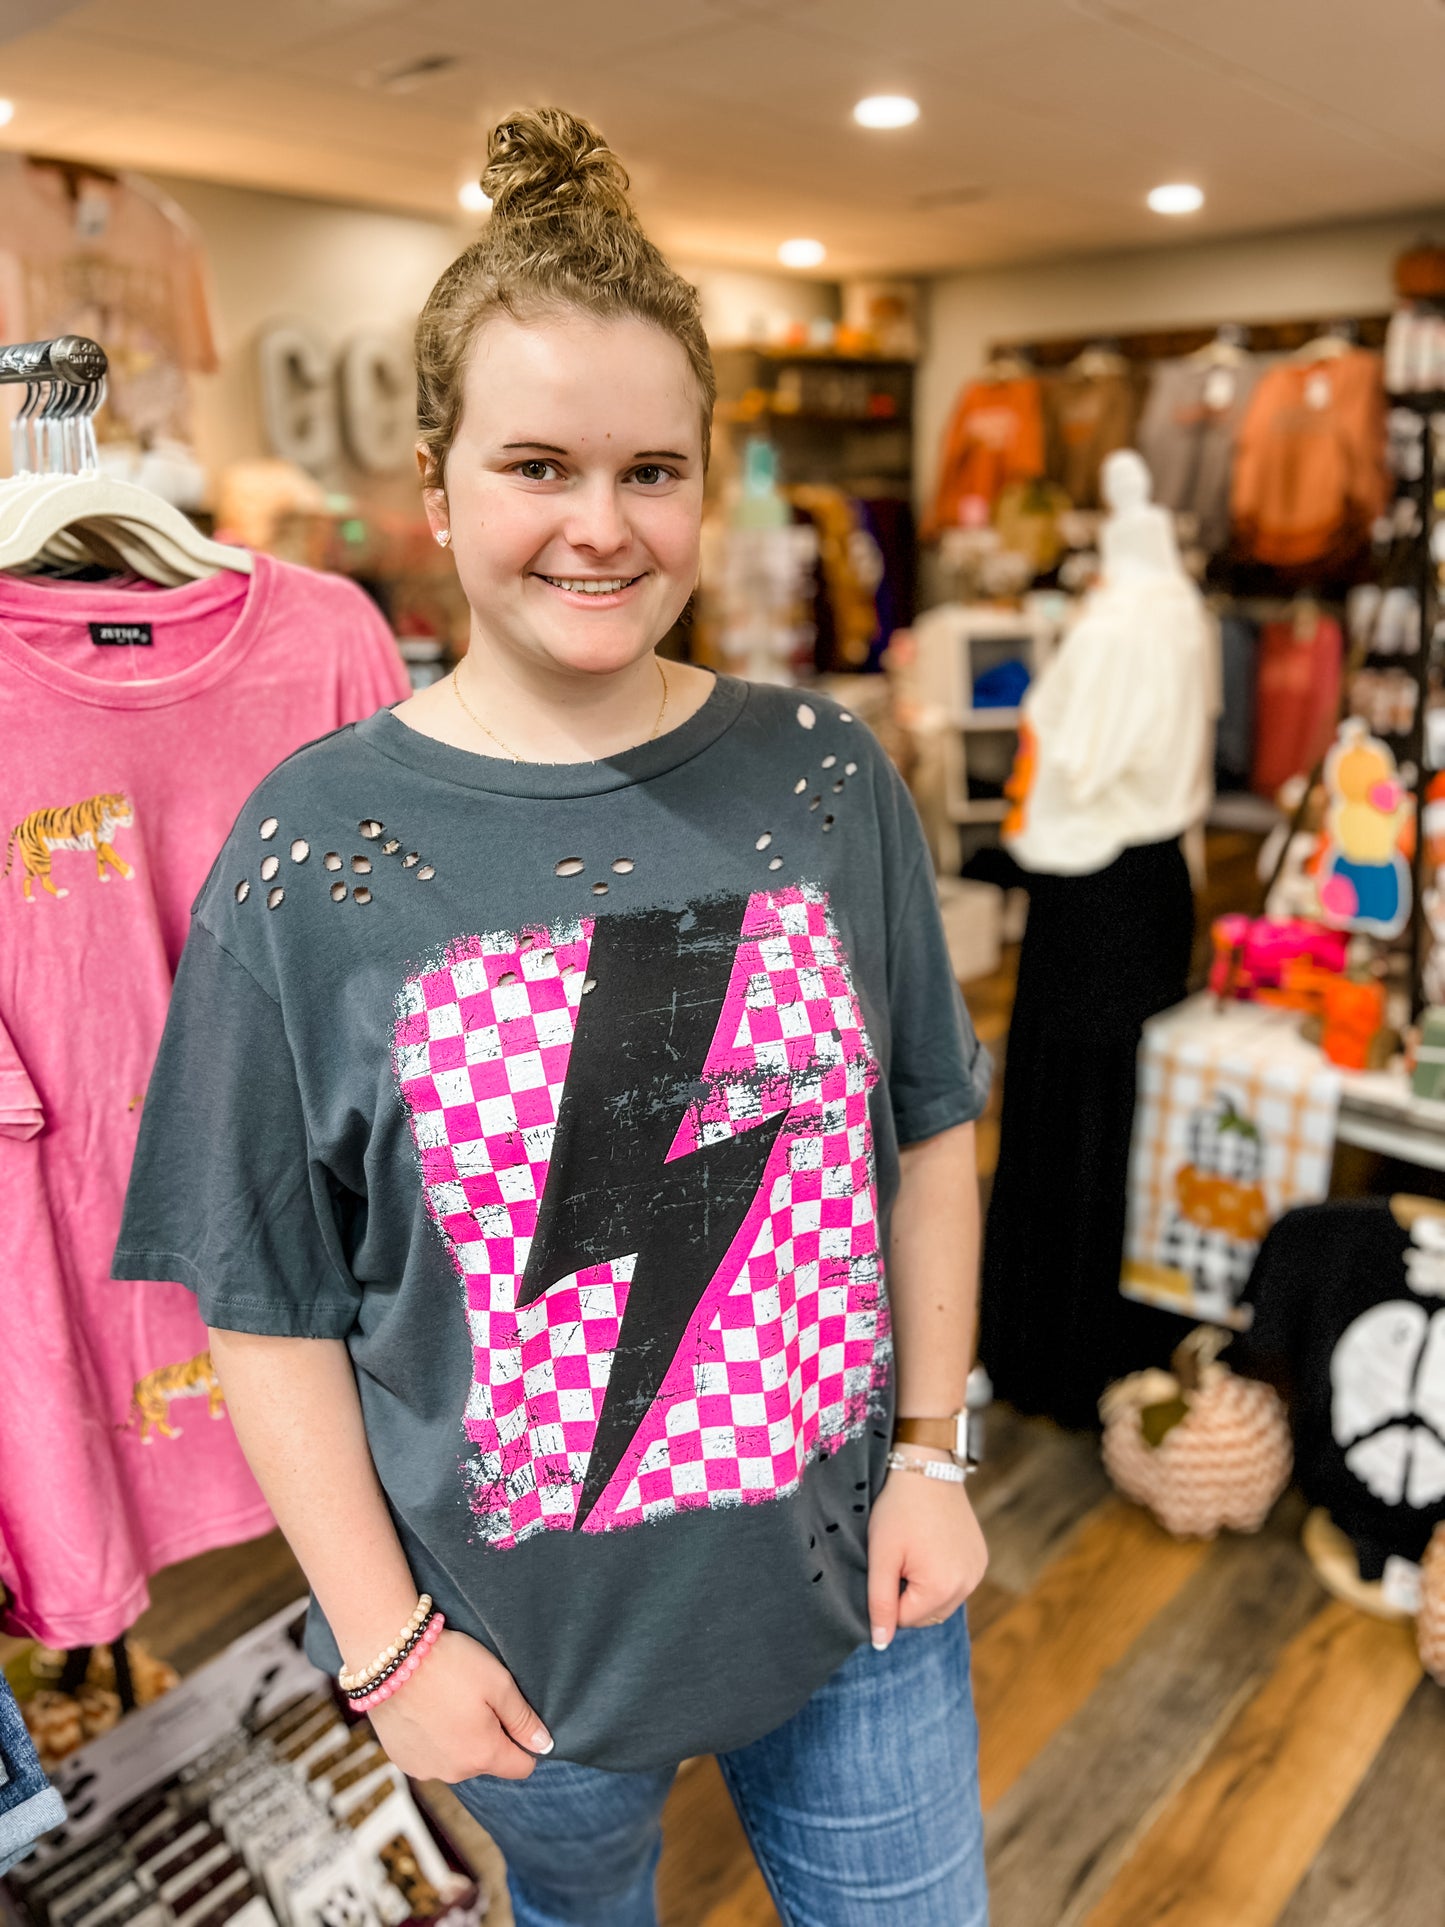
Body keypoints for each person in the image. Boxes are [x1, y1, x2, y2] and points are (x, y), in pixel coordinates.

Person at [115, 107, 992, 1927]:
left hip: (860, 1598)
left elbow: (926, 1125)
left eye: (652, 471)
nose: (602, 527)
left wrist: (930, 1450)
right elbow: (264, 1290)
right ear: (439, 488)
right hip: (511, 1658)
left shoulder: (825, 778)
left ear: (700, 480)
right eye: (538, 465)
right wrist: (380, 1641)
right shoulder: (314, 844)